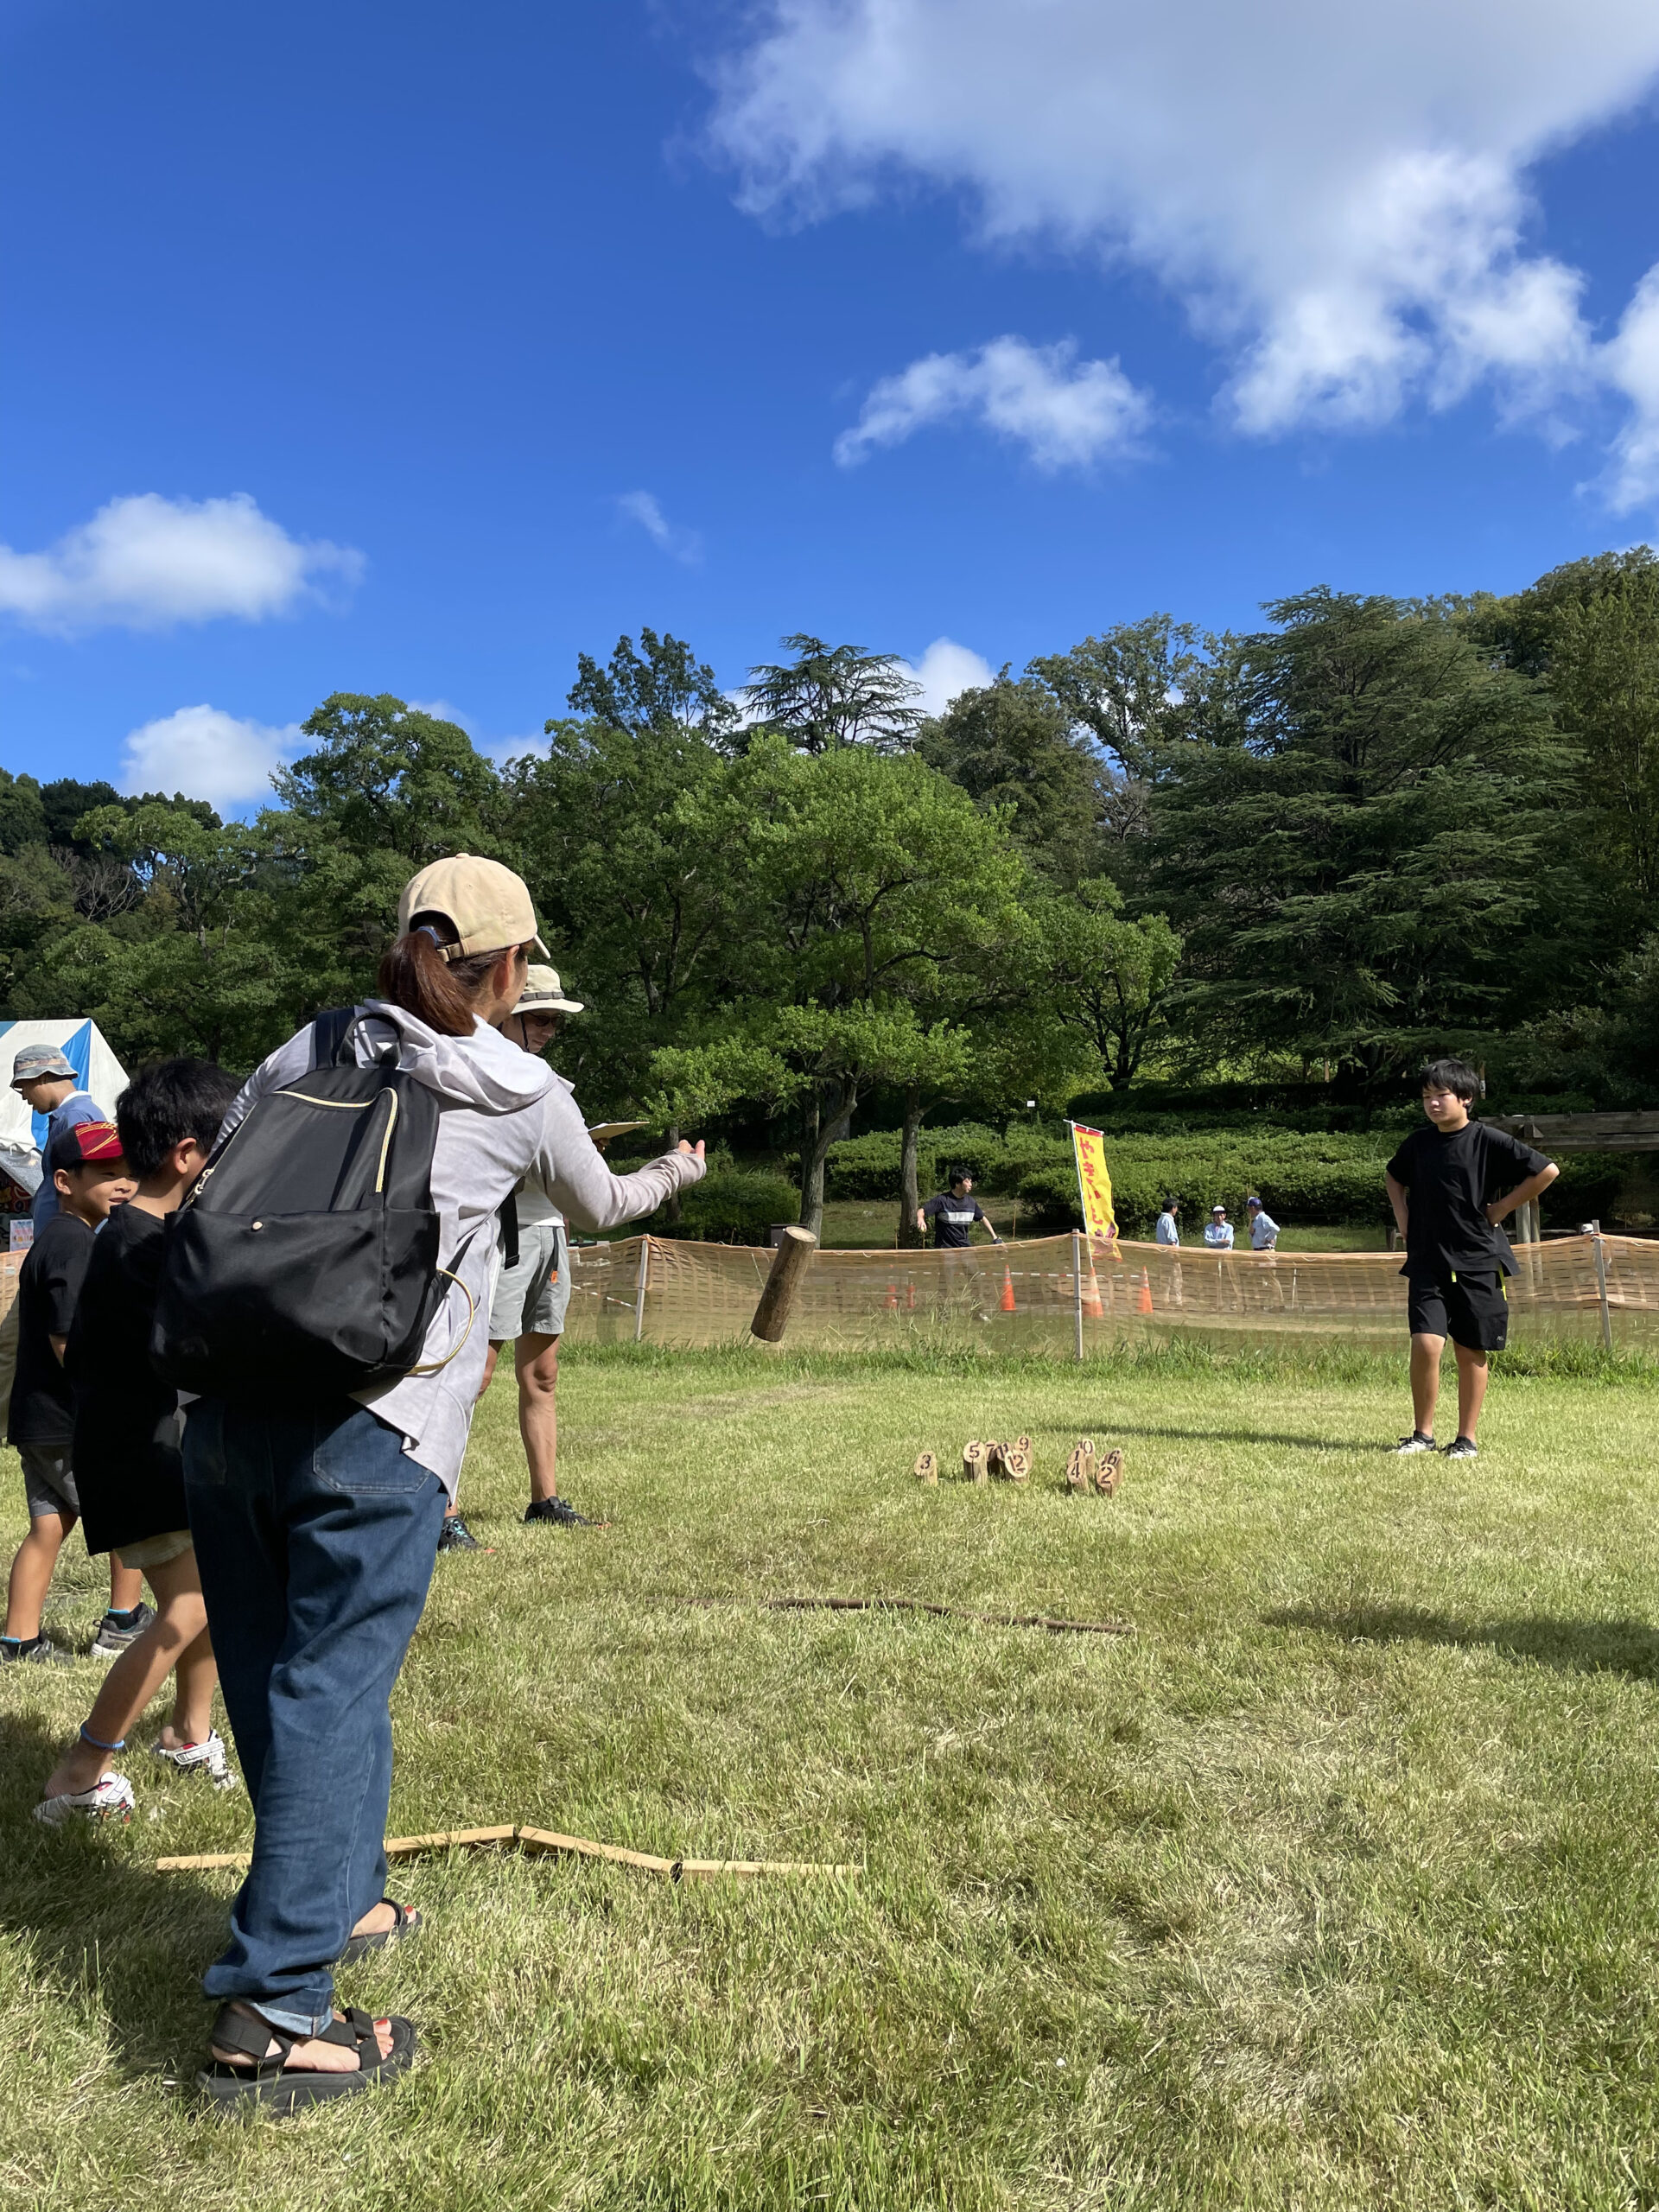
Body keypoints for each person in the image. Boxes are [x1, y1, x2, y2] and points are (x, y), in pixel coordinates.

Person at [182, 855, 705, 2109]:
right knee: (332, 1691)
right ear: (514, 965)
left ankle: (343, 1897)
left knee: (277, 1682)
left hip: (224, 1411)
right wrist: (682, 1169)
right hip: (375, 1427)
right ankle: (273, 2018)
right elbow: (606, 1203)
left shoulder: (304, 1048)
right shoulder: (524, 1083)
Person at [33, 1060, 244, 1821]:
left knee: (206, 1599)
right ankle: (82, 1768)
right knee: (188, 1607)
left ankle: (189, 1734)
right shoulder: (138, 1248)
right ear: (189, 1155)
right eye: (231, 1147)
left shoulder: (148, 1234)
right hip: (138, 1461)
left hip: (158, 1453)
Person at [441, 964, 589, 1549]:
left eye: (556, 1020)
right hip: (498, 1238)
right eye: (542, 1018)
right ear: (510, 1017)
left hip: (550, 1230)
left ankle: (544, 1501)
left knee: (544, 1373)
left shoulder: (549, 1081)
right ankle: (442, 1514)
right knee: (472, 1375)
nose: (551, 1029)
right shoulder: (480, 1075)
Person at [1, 1121, 147, 1665]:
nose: (123, 1184)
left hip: (38, 1420)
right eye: (107, 1174)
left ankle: (19, 1641)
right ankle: (123, 1624)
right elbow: (68, 1336)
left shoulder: (59, 1239)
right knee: (128, 1515)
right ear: (63, 1181)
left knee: (47, 1527)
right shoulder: (75, 1245)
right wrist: (110, 1403)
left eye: (128, 1173)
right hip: (73, 1419)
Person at [1384, 1057, 1559, 1459]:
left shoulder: (1488, 1140)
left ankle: (1466, 1440)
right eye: (1427, 1096)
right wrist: (1403, 1216)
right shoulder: (1418, 1143)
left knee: (1469, 1349)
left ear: (1466, 1098)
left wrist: (1500, 1210)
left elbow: (1546, 1171)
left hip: (1479, 1260)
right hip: (1428, 1259)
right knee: (1426, 1344)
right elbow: (1394, 1176)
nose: (1432, 1104)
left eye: (1441, 1095)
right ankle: (1422, 1435)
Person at [12, 1045, 103, 1235]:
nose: (24, 1097)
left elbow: (85, 1188)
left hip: (69, 1241)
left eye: (23, 1088)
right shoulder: (72, 1115)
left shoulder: (75, 1117)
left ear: (42, 1076)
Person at [917, 1171, 1003, 1249]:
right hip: (945, 1251)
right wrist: (920, 1219)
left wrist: (994, 1237)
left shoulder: (971, 1202)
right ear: (957, 1184)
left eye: (971, 1181)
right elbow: (922, 1211)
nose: (971, 1184)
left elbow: (982, 1218)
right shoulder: (942, 1200)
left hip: (965, 1249)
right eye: (967, 1181)